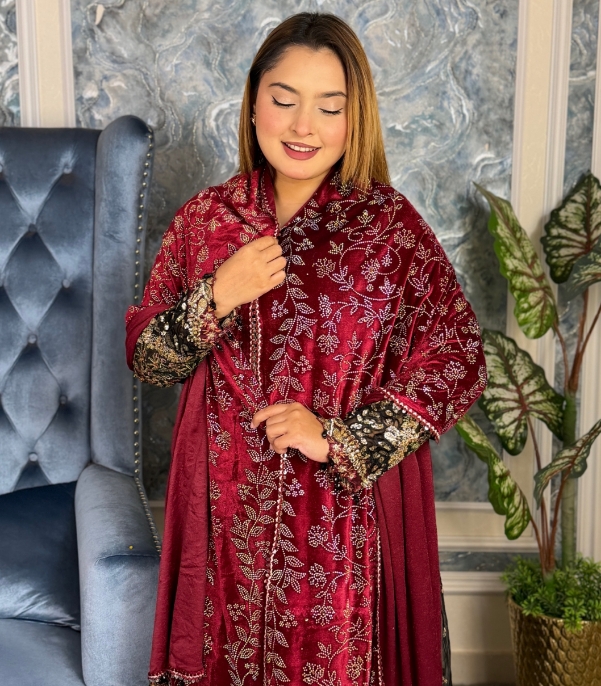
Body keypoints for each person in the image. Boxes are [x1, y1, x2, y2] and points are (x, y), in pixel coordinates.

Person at [126, 12, 486, 686]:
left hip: (335, 525)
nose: (302, 126)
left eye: (329, 107)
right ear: (253, 102)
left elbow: (459, 356)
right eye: (284, 99)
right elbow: (149, 360)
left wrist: (340, 438)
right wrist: (216, 296)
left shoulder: (387, 227)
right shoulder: (207, 220)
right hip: (223, 515)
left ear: (355, 119)